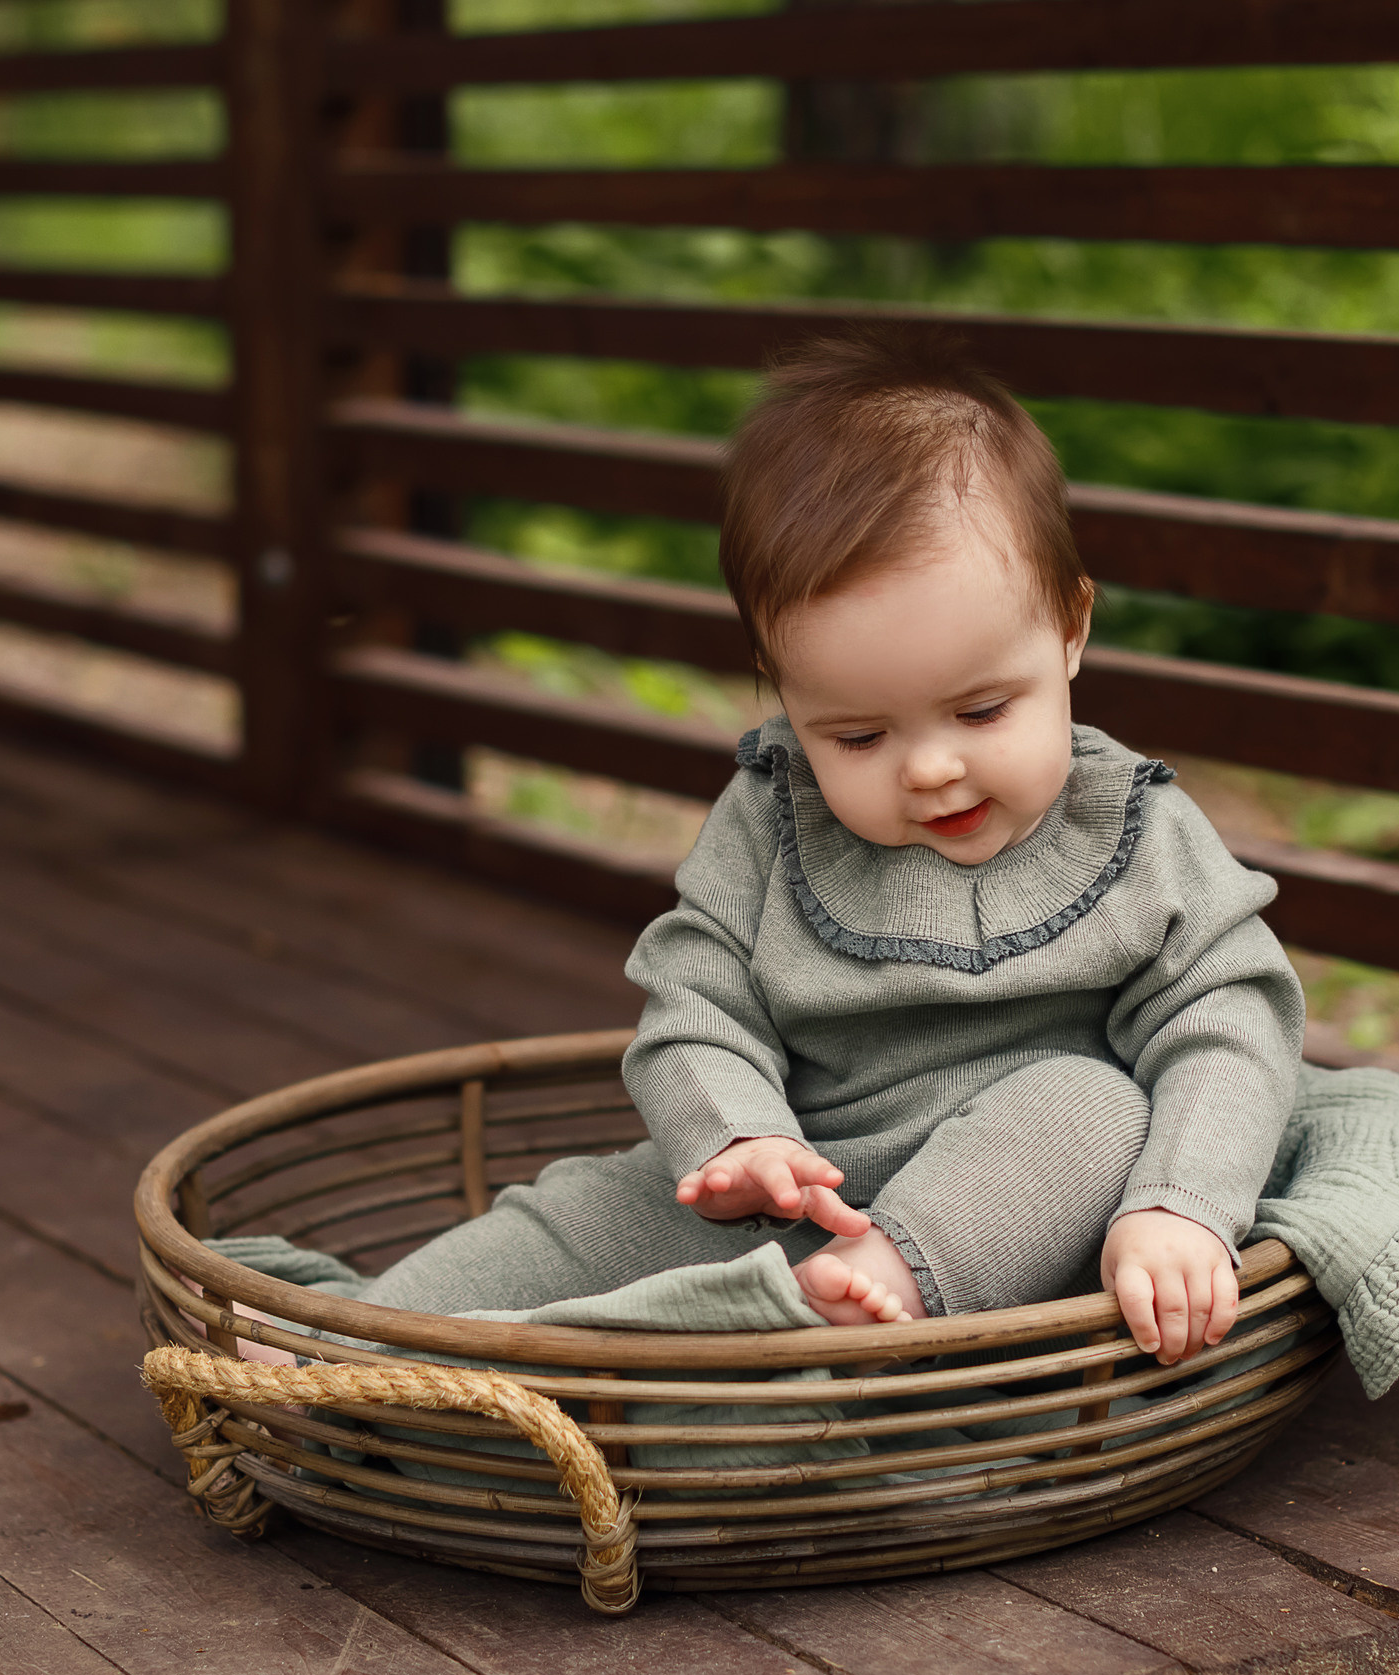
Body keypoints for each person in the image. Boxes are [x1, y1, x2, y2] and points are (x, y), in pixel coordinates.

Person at [353, 328, 1304, 1366]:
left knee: (1089, 1105)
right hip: (804, 1182)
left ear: (1070, 630)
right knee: (581, 1211)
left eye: (981, 711)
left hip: (1012, 1225)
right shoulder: (772, 819)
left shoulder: (1131, 831)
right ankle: (346, 1337)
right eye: (856, 735)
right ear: (783, 692)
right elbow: (696, 1000)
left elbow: (1231, 1020)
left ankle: (878, 1294)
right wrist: (737, 1136)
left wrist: (1180, 1205)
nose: (930, 769)